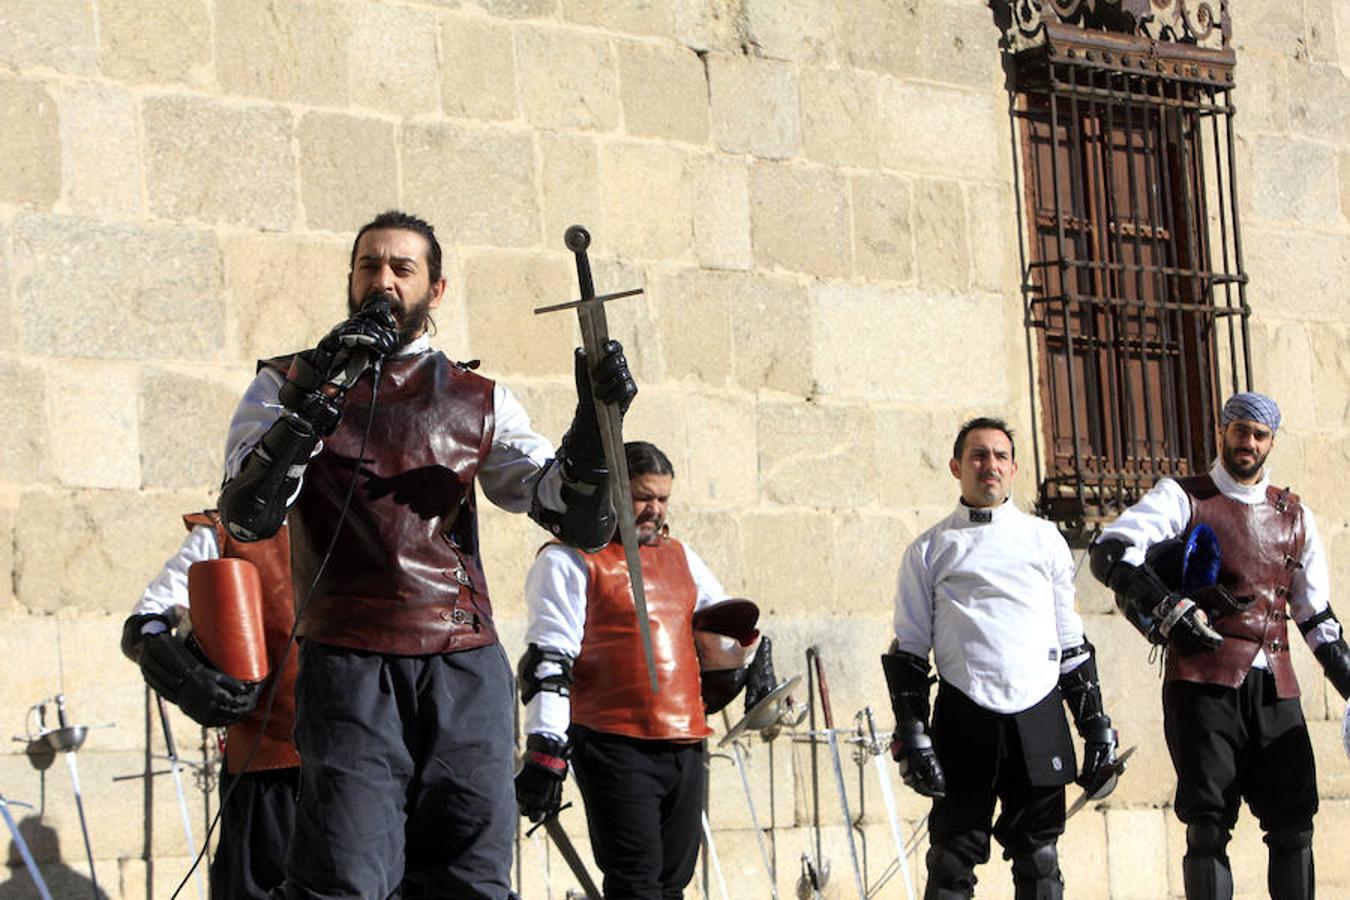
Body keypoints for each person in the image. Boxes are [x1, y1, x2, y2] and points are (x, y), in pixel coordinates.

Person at [215, 209, 637, 899]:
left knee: (469, 878)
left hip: (461, 664)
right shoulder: (282, 381)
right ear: (351, 278)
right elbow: (249, 509)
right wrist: (312, 396)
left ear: (435, 290)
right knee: (345, 879)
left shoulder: (476, 399)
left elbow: (567, 512)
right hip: (349, 662)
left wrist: (594, 424)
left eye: (401, 269)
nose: (383, 281)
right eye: (369, 266)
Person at [1090, 392, 1350, 900]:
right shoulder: (1184, 496)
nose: (1247, 442)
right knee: (1208, 825)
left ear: (1272, 441)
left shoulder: (1295, 516)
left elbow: (1315, 616)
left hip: (1275, 685)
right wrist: (1165, 606)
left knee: (1295, 824)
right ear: (1222, 431)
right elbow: (1111, 550)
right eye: (1239, 431)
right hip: (1203, 682)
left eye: (1259, 434)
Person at [514, 440, 777, 899]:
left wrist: (756, 655)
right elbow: (551, 659)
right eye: (642, 497)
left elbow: (725, 621)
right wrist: (546, 748)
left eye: (662, 499)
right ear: (612, 493)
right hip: (613, 743)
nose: (654, 509)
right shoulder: (568, 559)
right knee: (635, 882)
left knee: (673, 883)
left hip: (685, 740)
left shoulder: (680, 556)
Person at [884, 417, 1119, 900]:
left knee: (1040, 860)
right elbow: (909, 648)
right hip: (965, 714)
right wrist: (914, 735)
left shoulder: (1044, 539)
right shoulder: (929, 549)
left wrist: (1095, 728)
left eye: (999, 456)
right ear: (956, 466)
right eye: (977, 455)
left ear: (1014, 468)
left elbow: (1071, 640)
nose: (988, 465)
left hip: (1038, 711)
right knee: (950, 861)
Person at [121, 510, 299, 900]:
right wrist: (185, 677)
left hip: (373, 763)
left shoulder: (369, 516)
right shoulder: (229, 530)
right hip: (269, 769)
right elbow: (147, 620)